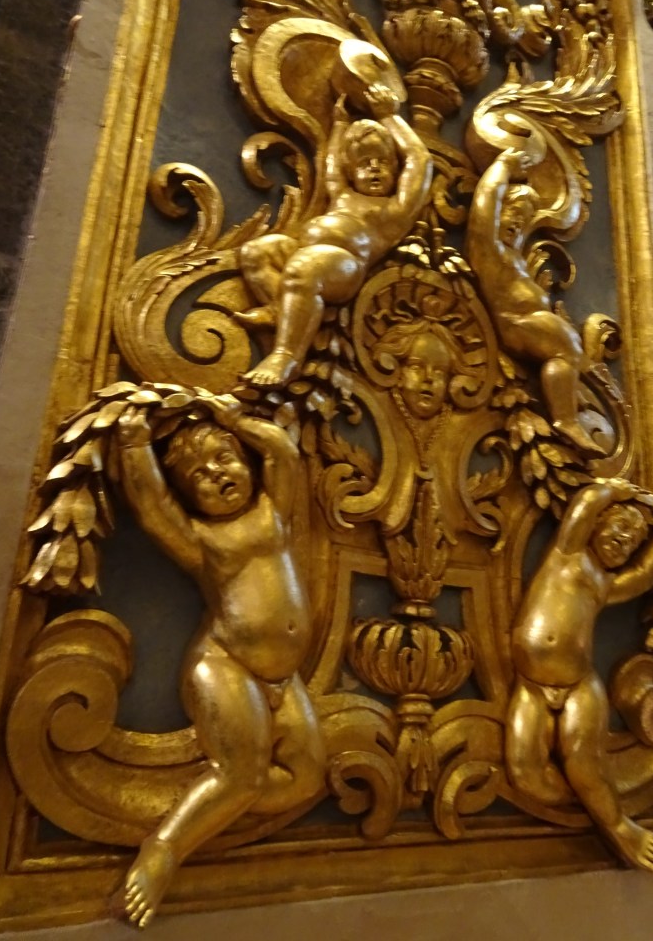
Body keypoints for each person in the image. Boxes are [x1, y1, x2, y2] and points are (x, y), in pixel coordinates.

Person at [116, 395, 325, 929]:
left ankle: (215, 798)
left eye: (225, 459)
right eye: (199, 477)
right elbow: (152, 508)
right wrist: (135, 443)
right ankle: (164, 849)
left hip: (283, 676)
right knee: (244, 776)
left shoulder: (272, 512)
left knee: (304, 780)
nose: (217, 475)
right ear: (188, 496)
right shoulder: (201, 541)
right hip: (227, 664)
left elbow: (283, 454)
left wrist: (234, 419)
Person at [506, 478, 653, 871]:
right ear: (598, 524)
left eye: (633, 541)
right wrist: (623, 492)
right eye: (620, 528)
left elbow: (644, 575)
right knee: (526, 774)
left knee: (584, 760)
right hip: (532, 687)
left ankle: (618, 826)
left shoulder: (604, 585)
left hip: (579, 685)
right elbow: (585, 501)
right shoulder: (567, 554)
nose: (625, 540)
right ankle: (592, 796)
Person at [236, 83, 432, 387]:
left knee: (303, 269)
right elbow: (331, 168)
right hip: (307, 251)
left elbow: (420, 160)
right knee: (257, 252)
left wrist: (389, 116)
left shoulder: (396, 209)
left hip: (345, 265)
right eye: (365, 164)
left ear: (396, 171)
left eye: (382, 162)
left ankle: (286, 356)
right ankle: (282, 311)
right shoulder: (343, 194)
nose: (374, 169)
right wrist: (339, 125)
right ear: (352, 172)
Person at [467, 147, 603, 456]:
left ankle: (567, 399)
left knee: (566, 351)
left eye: (524, 218)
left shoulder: (514, 257)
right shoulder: (489, 250)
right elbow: (484, 204)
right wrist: (503, 165)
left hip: (535, 332)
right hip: (515, 328)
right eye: (512, 212)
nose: (518, 222)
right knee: (563, 349)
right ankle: (566, 420)